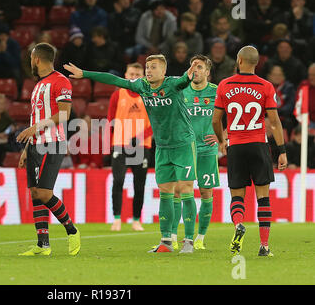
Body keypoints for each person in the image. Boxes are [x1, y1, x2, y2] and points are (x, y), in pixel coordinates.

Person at [64, 54, 199, 253]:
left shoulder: (172, 85)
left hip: (183, 145)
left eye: (153, 67)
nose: (149, 71)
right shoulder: (142, 86)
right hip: (162, 147)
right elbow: (114, 80)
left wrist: (191, 71)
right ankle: (166, 242)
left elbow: (185, 79)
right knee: (165, 193)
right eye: (147, 67)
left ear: (163, 71)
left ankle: (188, 241)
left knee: (186, 190)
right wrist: (84, 73)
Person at [212, 46, 287, 257]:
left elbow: (216, 120)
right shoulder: (266, 86)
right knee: (263, 197)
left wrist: (221, 140)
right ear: (256, 63)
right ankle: (264, 246)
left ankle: (238, 225)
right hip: (258, 145)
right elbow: (274, 122)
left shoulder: (224, 85)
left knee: (237, 195)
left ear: (239, 60)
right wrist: (281, 150)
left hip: (235, 146)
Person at [16, 42, 81, 256]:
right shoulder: (38, 85)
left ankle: (72, 231)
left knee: (44, 193)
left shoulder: (60, 81)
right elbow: (37, 117)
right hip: (35, 145)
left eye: (30, 59)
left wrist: (34, 128)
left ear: (36, 59)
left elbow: (64, 115)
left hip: (52, 143)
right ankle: (42, 244)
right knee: (35, 193)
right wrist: (27, 148)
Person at [172, 55, 219, 251]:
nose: (195, 70)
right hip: (185, 151)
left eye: (199, 67)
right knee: (177, 191)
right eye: (192, 67)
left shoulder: (217, 92)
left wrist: (222, 136)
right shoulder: (181, 91)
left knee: (206, 193)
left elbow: (232, 114)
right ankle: (173, 237)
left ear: (207, 72)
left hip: (207, 150)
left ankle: (200, 237)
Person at [106, 62, 152, 232]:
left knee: (139, 184)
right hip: (121, 145)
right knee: (118, 181)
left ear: (143, 77)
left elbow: (154, 122)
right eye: (131, 74)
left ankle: (136, 220)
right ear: (125, 75)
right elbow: (110, 120)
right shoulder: (118, 95)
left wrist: (138, 137)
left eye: (137, 75)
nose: (134, 77)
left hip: (142, 146)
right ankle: (116, 218)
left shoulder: (148, 96)